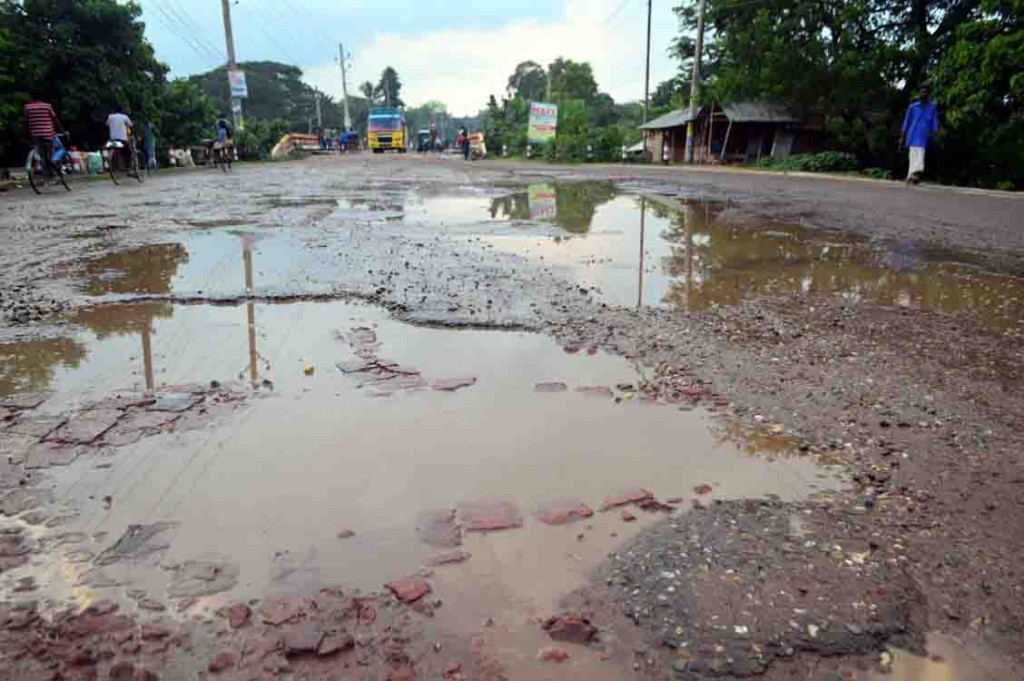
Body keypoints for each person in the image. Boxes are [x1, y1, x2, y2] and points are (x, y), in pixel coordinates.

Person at [900, 86, 939, 184]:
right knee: (913, 156)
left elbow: (934, 122)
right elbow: (906, 122)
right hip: (912, 134)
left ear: (929, 95)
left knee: (920, 154)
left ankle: (915, 174)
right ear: (919, 94)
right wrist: (902, 136)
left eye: (926, 92)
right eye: (922, 92)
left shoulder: (932, 107)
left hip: (923, 135)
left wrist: (934, 134)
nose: (924, 94)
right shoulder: (913, 107)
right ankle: (911, 176)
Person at [24, 95, 62, 172]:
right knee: (50, 151)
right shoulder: (47, 106)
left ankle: (43, 165)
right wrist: (61, 129)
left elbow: (26, 120)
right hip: (48, 133)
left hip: (35, 133)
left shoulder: (27, 107)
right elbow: (54, 118)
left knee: (40, 151)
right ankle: (51, 163)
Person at [106, 105, 133, 171]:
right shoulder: (125, 117)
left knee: (111, 150)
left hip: (113, 138)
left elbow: (107, 124)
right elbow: (130, 125)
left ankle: (108, 165)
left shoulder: (110, 116)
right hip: (122, 139)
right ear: (122, 111)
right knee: (128, 152)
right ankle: (127, 167)